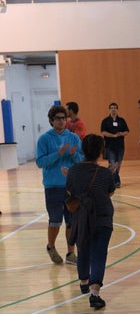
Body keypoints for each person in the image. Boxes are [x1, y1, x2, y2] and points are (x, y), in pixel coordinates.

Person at [65, 134, 115, 309]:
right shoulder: (105, 173)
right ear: (100, 151)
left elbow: (71, 193)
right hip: (102, 218)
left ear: (82, 150)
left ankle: (83, 282)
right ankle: (95, 293)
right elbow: (109, 192)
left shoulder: (73, 171)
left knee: (83, 249)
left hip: (82, 218)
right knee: (99, 254)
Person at [36, 105, 83, 265]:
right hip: (53, 187)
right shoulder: (44, 139)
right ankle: (51, 246)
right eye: (58, 118)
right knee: (55, 220)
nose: (62, 121)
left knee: (72, 221)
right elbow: (40, 162)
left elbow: (82, 160)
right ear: (51, 120)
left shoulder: (74, 138)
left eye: (64, 118)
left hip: (71, 187)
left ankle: (71, 253)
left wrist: (73, 155)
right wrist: (58, 154)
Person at [100, 102, 130, 188]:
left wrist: (121, 133)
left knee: (118, 163)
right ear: (109, 110)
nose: (113, 109)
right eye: (111, 107)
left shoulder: (122, 120)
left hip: (120, 146)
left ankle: (112, 179)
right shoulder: (105, 121)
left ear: (117, 110)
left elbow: (127, 131)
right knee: (112, 163)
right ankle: (116, 180)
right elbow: (103, 132)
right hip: (110, 146)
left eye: (115, 107)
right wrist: (113, 135)